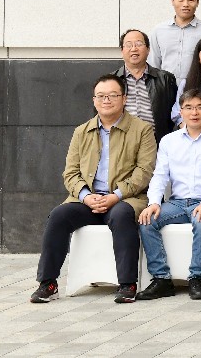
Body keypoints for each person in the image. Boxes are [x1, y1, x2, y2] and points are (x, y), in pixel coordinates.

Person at [31, 75, 156, 304]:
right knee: (59, 215)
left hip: (125, 198)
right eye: (101, 96)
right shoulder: (82, 131)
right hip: (88, 200)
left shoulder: (142, 130)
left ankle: (127, 284)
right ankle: (48, 283)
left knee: (122, 215)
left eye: (112, 95)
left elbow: (144, 171)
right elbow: (70, 173)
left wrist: (115, 196)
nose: (106, 100)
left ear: (124, 99)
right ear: (94, 100)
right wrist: (86, 196)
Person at [137, 89, 201, 300]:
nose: (194, 113)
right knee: (147, 220)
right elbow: (160, 175)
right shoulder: (169, 141)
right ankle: (161, 279)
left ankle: (197, 279)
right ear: (181, 112)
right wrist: (154, 202)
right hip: (177, 203)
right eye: (188, 108)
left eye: (200, 107)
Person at [115, 29, 179, 141]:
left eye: (139, 44)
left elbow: (175, 114)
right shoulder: (112, 80)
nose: (134, 49)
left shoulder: (165, 79)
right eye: (128, 45)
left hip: (156, 142)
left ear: (148, 49)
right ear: (122, 51)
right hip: (122, 143)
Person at [148, 0, 201, 80]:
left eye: (191, 0)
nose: (185, 4)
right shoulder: (158, 30)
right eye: (180, 0)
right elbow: (153, 64)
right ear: (172, 1)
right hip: (165, 86)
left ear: (197, 2)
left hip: (195, 86)